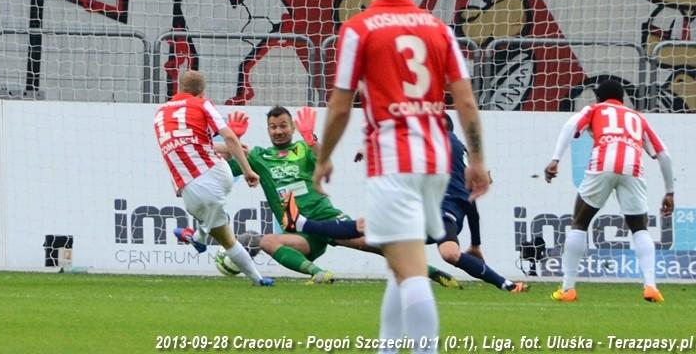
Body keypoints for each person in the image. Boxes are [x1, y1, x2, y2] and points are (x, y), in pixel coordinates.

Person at [313, 0, 490, 354]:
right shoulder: (439, 29)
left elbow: (340, 106)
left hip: (394, 160)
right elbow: (465, 101)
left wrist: (324, 158)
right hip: (436, 161)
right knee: (399, 263)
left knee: (410, 270)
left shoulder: (358, 29)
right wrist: (478, 159)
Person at [284, 114, 525, 293]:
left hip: (442, 215)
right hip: (430, 215)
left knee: (446, 252)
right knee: (369, 227)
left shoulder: (445, 142)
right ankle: (301, 223)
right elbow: (471, 206)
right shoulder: (453, 157)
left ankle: (505, 283)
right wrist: (476, 243)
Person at [225, 106, 459, 288]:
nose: (278, 131)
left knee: (375, 244)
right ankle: (319, 274)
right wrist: (232, 141)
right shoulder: (259, 156)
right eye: (273, 127)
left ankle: (432, 273)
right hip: (299, 233)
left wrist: (311, 140)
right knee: (267, 241)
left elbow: (324, 162)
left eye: (283, 125)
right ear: (268, 130)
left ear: (292, 127)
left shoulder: (303, 149)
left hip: (325, 218)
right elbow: (225, 170)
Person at [544, 79, 674, 303]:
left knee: (579, 223)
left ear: (598, 98)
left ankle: (568, 289)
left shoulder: (594, 109)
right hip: (633, 169)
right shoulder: (637, 117)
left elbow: (570, 126)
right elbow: (664, 155)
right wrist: (670, 191)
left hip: (602, 166)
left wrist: (555, 159)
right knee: (640, 229)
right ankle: (651, 286)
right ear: (622, 99)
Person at [153, 70, 273, 287]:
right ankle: (256, 278)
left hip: (189, 189)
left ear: (178, 88)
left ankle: (198, 238)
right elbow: (228, 136)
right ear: (202, 91)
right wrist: (247, 170)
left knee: (223, 235)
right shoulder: (202, 104)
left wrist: (231, 147)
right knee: (227, 239)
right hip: (215, 175)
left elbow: (189, 145)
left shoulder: (160, 114)